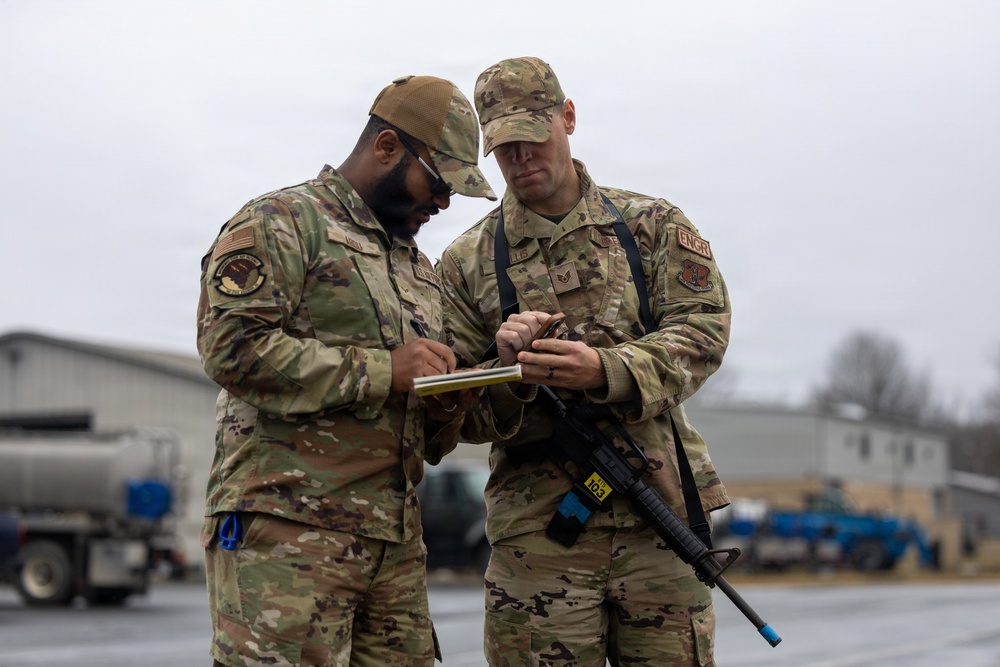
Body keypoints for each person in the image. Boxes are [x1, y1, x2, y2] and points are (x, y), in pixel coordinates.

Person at [436, 57, 732, 666]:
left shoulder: (650, 226)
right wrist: (509, 371)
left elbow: (703, 330)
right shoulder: (467, 262)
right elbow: (452, 408)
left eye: (532, 136)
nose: (520, 158)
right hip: (538, 536)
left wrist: (607, 371)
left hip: (660, 515)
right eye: (503, 146)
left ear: (567, 118)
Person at [196, 74, 496, 667]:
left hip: (393, 543)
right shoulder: (281, 223)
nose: (442, 203)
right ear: (387, 148)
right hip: (287, 530)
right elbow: (231, 349)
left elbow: (424, 427)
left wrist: (449, 397)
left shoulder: (416, 268)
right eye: (438, 183)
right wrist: (388, 371)